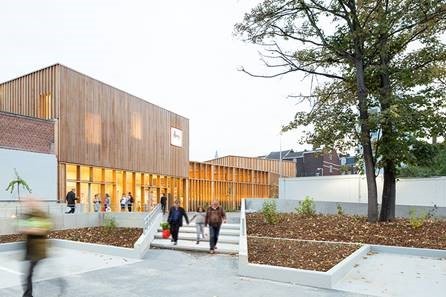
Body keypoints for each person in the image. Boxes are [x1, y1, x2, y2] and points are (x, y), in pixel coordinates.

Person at [18, 199, 52, 297]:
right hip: (31, 250)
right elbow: (20, 226)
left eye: (29, 202)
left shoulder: (42, 215)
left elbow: (43, 230)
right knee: (28, 275)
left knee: (28, 275)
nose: (27, 204)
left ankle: (27, 295)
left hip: (38, 251)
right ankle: (28, 294)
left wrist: (29, 230)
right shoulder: (29, 215)